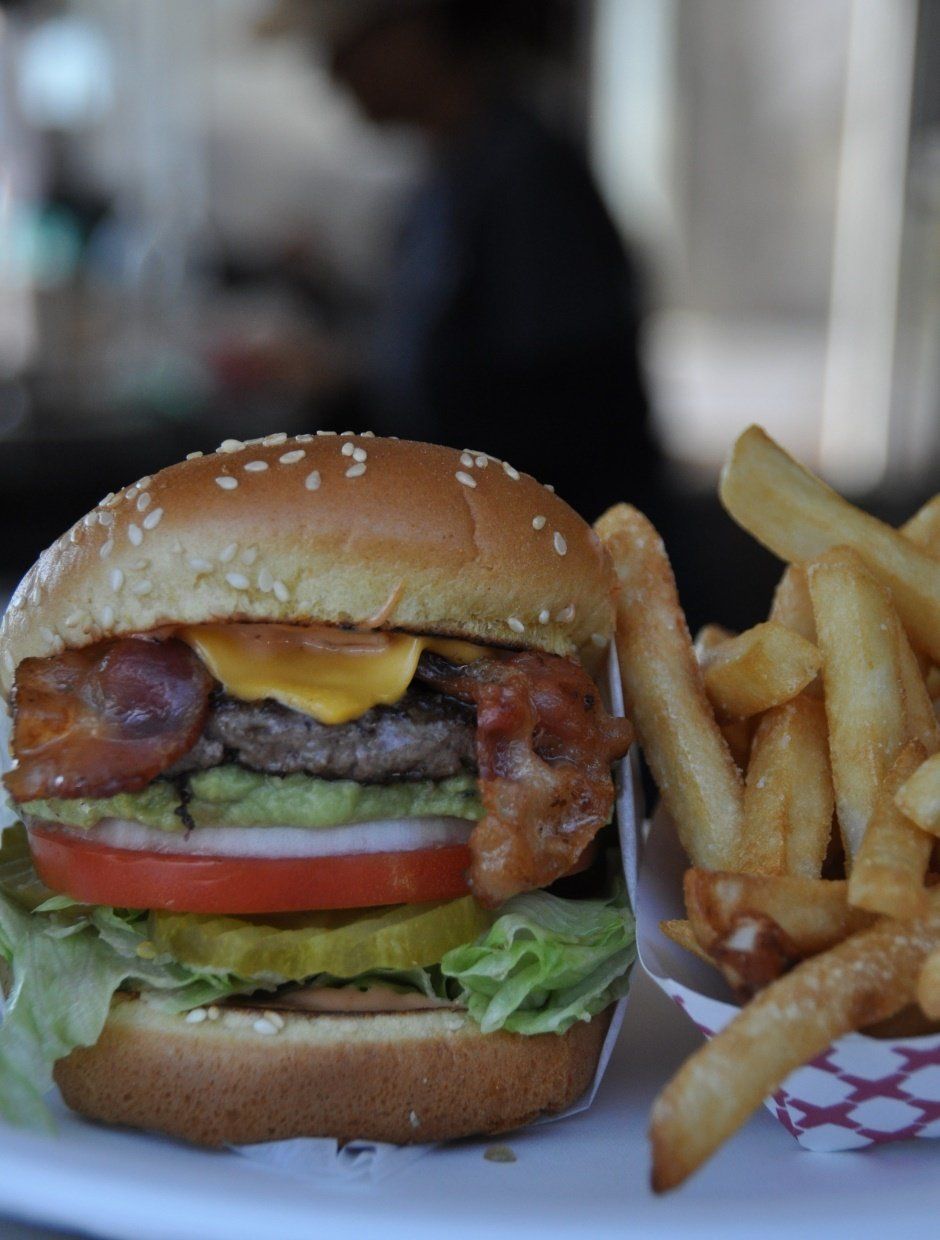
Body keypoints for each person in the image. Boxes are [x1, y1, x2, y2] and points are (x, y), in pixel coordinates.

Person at [265, 0, 658, 520]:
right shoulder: (446, 176)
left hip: (549, 530)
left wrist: (357, 384)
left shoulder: (526, 175)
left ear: (413, 33)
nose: (334, 75)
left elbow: (557, 402)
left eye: (345, 50)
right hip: (478, 517)